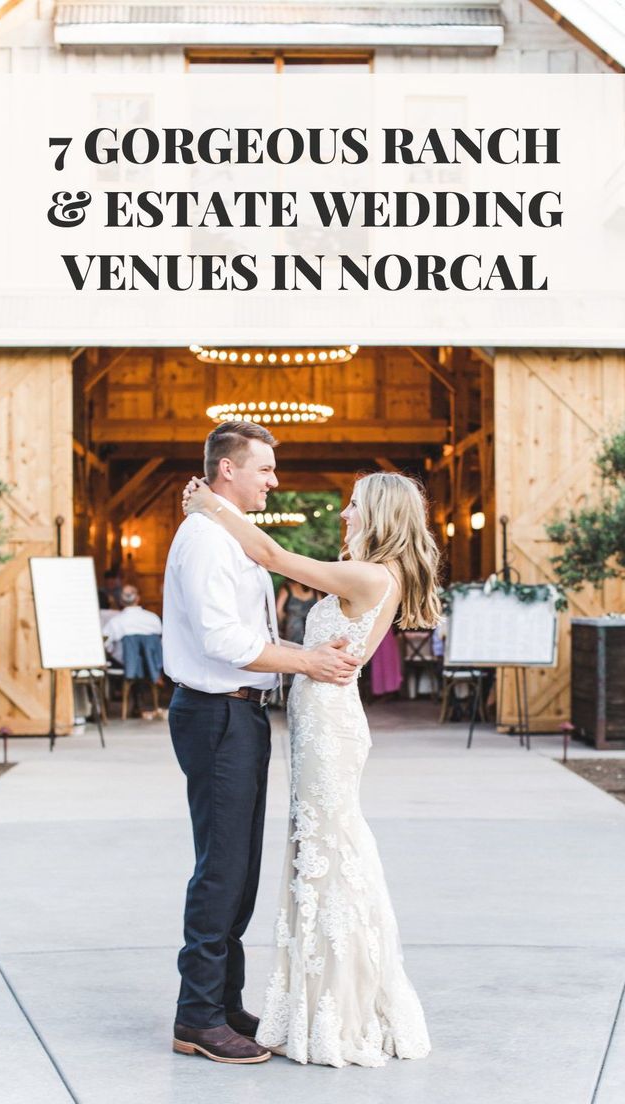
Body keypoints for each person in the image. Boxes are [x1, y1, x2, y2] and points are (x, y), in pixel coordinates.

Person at [183, 469, 441, 1068]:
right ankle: (321, 998)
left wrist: (209, 505)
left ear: (379, 514)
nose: (345, 514)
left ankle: (336, 1009)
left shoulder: (370, 575)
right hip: (323, 721)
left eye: (353, 506)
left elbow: (271, 553)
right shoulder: (377, 573)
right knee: (321, 851)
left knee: (329, 853)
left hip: (329, 727)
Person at [163, 421, 361, 1066]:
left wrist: (299, 660)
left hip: (240, 714)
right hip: (216, 714)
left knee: (239, 865)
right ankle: (196, 1017)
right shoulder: (205, 542)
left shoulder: (231, 536)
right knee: (221, 866)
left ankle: (224, 1002)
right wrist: (307, 663)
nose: (274, 480)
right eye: (265, 469)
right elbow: (224, 641)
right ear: (228, 471)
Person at [102, 584, 161, 666]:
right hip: (153, 667)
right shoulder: (154, 618)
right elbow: (160, 642)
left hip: (124, 668)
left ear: (121, 601)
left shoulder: (115, 622)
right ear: (138, 598)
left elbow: (104, 643)